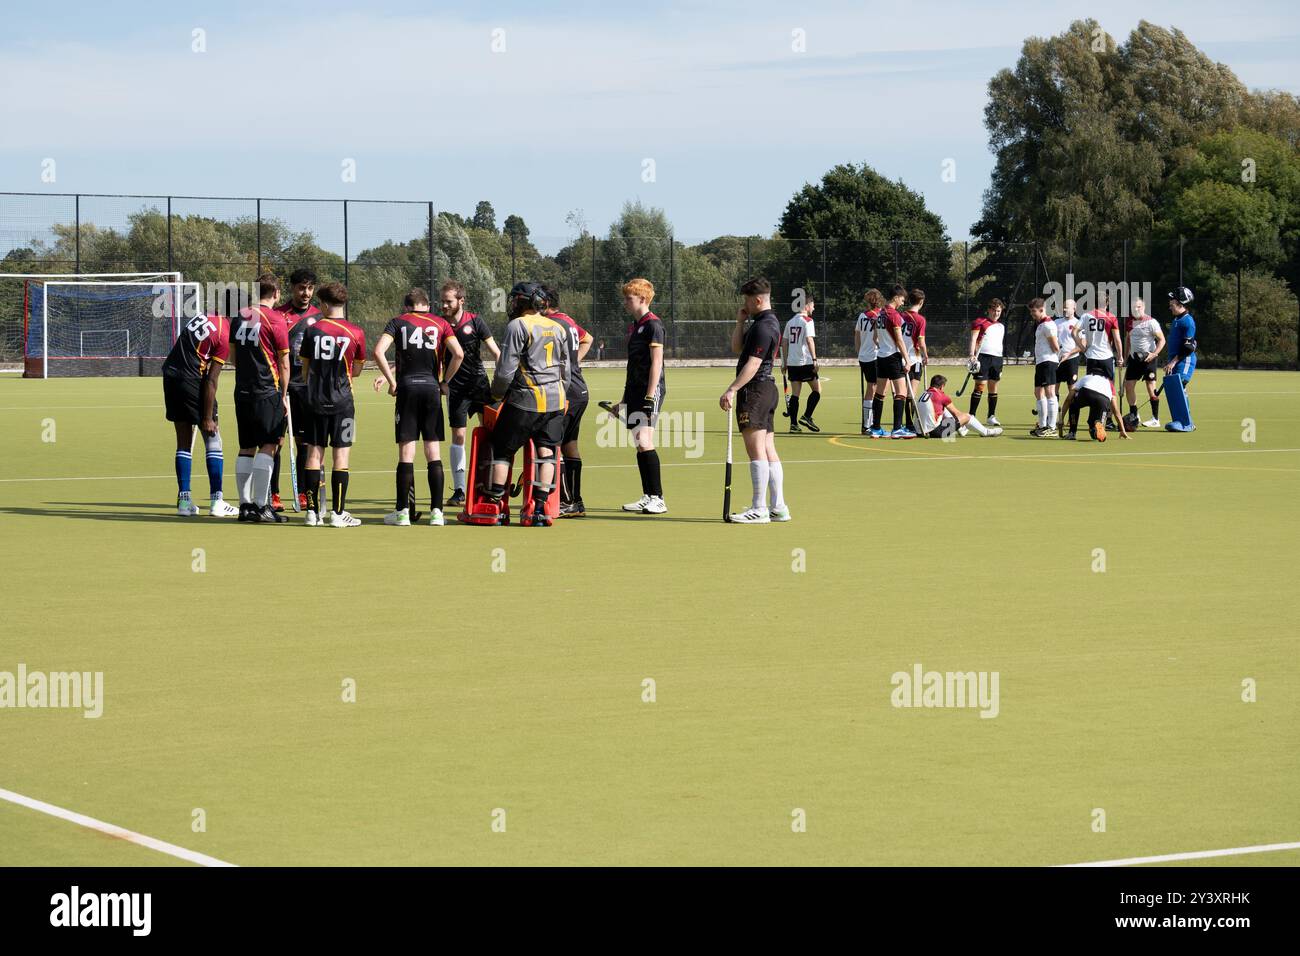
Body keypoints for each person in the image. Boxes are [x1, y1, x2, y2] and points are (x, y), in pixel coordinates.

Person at [372, 288, 464, 526]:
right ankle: (437, 513)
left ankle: (402, 512)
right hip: (432, 390)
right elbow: (459, 354)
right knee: (433, 452)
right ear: (427, 305)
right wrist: (445, 383)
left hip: (407, 390)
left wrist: (392, 382)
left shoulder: (397, 322)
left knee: (406, 454)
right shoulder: (441, 323)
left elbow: (378, 351)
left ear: (406, 307)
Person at [484, 282, 571, 528]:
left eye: (515, 300)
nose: (512, 304)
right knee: (547, 452)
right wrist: (563, 397)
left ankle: (497, 505)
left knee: (503, 449)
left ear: (525, 302)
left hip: (525, 400)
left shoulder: (517, 326)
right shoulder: (558, 327)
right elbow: (566, 369)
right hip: (554, 401)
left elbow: (505, 371)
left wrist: (496, 395)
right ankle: (539, 508)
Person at [719, 277, 789, 523]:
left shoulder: (763, 326)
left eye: (747, 301)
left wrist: (732, 389)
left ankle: (759, 507)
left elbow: (754, 362)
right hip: (767, 389)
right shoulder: (764, 322)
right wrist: (740, 322)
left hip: (756, 390)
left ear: (758, 300)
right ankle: (778, 506)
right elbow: (738, 348)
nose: (745, 305)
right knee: (769, 449)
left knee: (756, 449)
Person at [299, 283, 367, 528]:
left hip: (314, 402)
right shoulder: (356, 332)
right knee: (342, 455)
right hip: (343, 403)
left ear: (325, 305)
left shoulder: (312, 330)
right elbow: (357, 369)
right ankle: (338, 514)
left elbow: (305, 370)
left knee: (313, 454)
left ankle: (312, 513)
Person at [224, 273, 290, 523]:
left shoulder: (240, 316)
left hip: (242, 391)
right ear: (276, 294)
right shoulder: (276, 319)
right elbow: (284, 364)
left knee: (246, 447)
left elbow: (233, 357)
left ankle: (245, 506)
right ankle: (263, 507)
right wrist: (283, 395)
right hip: (266, 391)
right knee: (269, 446)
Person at [162, 309, 239, 517]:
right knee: (214, 440)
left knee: (183, 442)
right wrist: (207, 417)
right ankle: (217, 501)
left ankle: (184, 502)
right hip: (193, 381)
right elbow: (211, 380)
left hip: (170, 376)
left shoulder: (205, 316)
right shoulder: (224, 334)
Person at [441, 280, 500, 509]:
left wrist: (503, 381)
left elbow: (495, 352)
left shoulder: (475, 321)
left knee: (489, 434)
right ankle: (460, 490)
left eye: (449, 301)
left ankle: (490, 486)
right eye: (443, 301)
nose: (444, 305)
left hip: (479, 386)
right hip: (455, 389)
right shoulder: (439, 324)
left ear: (461, 301)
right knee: (459, 437)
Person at [541, 286, 593, 517]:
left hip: (565, 393)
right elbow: (588, 339)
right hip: (579, 391)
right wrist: (574, 363)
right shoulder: (568, 321)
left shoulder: (552, 324)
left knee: (555, 445)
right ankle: (575, 501)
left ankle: (566, 501)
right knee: (570, 444)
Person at [618, 278, 668, 514]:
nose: (625, 302)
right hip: (635, 390)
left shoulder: (653, 325)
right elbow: (633, 366)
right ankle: (648, 495)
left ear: (643, 299)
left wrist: (650, 395)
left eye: (629, 298)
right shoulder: (635, 326)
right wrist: (624, 400)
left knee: (645, 441)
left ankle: (658, 498)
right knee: (639, 443)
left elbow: (656, 363)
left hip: (650, 391)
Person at [280, 267, 321, 511]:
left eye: (309, 288)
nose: (305, 293)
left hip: (308, 388)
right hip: (283, 387)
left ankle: (306, 492)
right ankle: (273, 494)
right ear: (292, 288)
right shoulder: (278, 315)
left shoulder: (319, 315)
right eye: (301, 288)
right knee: (276, 442)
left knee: (305, 442)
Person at [869, 284, 914, 439]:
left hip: (881, 357)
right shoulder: (894, 315)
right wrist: (907, 360)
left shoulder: (880, 313)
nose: (903, 302)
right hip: (893, 357)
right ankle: (897, 429)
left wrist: (883, 345)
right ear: (896, 297)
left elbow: (875, 337)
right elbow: (899, 339)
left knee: (880, 393)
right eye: (902, 299)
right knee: (901, 392)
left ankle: (875, 428)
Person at [1123, 297, 1166, 428]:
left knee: (1151, 387)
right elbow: (1128, 339)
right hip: (1134, 359)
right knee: (1128, 386)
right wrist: (1125, 357)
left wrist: (1154, 354)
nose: (1136, 309)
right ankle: (1134, 414)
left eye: (1139, 307)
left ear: (1144, 307)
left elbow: (1162, 340)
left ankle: (1155, 419)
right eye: (1134, 307)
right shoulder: (1129, 321)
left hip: (1149, 359)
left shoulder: (1152, 322)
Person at [915, 374, 1002, 438]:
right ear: (942, 386)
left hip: (919, 431)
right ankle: (986, 432)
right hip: (935, 433)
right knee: (966, 416)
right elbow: (957, 414)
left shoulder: (924, 393)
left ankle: (961, 430)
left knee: (943, 409)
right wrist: (963, 422)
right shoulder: (942, 396)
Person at [782, 294, 821, 433]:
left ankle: (793, 425)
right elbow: (810, 340)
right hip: (805, 362)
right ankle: (806, 416)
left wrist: (784, 362)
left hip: (792, 363)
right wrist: (815, 360)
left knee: (795, 394)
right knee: (817, 391)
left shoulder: (790, 321)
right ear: (807, 305)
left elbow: (784, 343)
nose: (814, 307)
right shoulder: (808, 321)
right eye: (812, 305)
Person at [967, 297, 1006, 426]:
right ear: (989, 310)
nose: (996, 313)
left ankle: (991, 416)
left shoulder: (1001, 326)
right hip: (983, 357)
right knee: (980, 386)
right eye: (994, 310)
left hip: (997, 359)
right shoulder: (980, 322)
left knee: (993, 387)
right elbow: (973, 339)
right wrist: (972, 355)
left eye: (999, 311)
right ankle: (971, 417)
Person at [1060, 373, 1131, 442]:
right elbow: (1116, 410)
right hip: (1103, 400)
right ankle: (1097, 424)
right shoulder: (1109, 384)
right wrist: (1122, 430)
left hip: (1087, 393)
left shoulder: (1087, 377)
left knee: (1073, 404)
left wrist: (1061, 418)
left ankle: (1072, 433)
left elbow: (1069, 399)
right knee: (1094, 433)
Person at [1028, 297, 1060, 437]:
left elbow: (1055, 346)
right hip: (1041, 362)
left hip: (1048, 362)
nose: (1032, 314)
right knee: (1038, 392)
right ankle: (1042, 425)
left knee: (1050, 392)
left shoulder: (1048, 324)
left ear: (1042, 310)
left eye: (1034, 311)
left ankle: (1052, 427)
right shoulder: (1040, 324)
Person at [854, 289, 883, 434]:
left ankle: (867, 424)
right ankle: (869, 424)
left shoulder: (861, 316)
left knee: (870, 388)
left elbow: (857, 337)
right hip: (875, 356)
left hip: (864, 357)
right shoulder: (879, 315)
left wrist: (859, 353)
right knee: (875, 389)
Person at [901, 288, 929, 433]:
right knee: (912, 393)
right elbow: (921, 340)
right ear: (921, 302)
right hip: (914, 358)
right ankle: (909, 424)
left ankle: (902, 423)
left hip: (900, 358)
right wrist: (925, 355)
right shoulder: (920, 319)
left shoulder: (900, 316)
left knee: (902, 393)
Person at [1052, 299, 1083, 409]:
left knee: (1072, 389)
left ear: (1074, 309)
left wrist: (1069, 354)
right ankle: (1053, 415)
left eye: (1067, 307)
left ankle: (1072, 417)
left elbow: (1082, 345)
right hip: (1057, 360)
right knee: (1053, 388)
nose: (1065, 309)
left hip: (1072, 360)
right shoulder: (1056, 322)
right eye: (1064, 307)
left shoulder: (1079, 323)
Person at [1164, 286, 1197, 387]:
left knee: (1179, 388)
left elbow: (1188, 347)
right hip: (1174, 361)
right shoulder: (1176, 320)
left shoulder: (1187, 321)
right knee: (1173, 391)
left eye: (1172, 305)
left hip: (1184, 361)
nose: (1170, 308)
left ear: (1180, 304)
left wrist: (1173, 362)